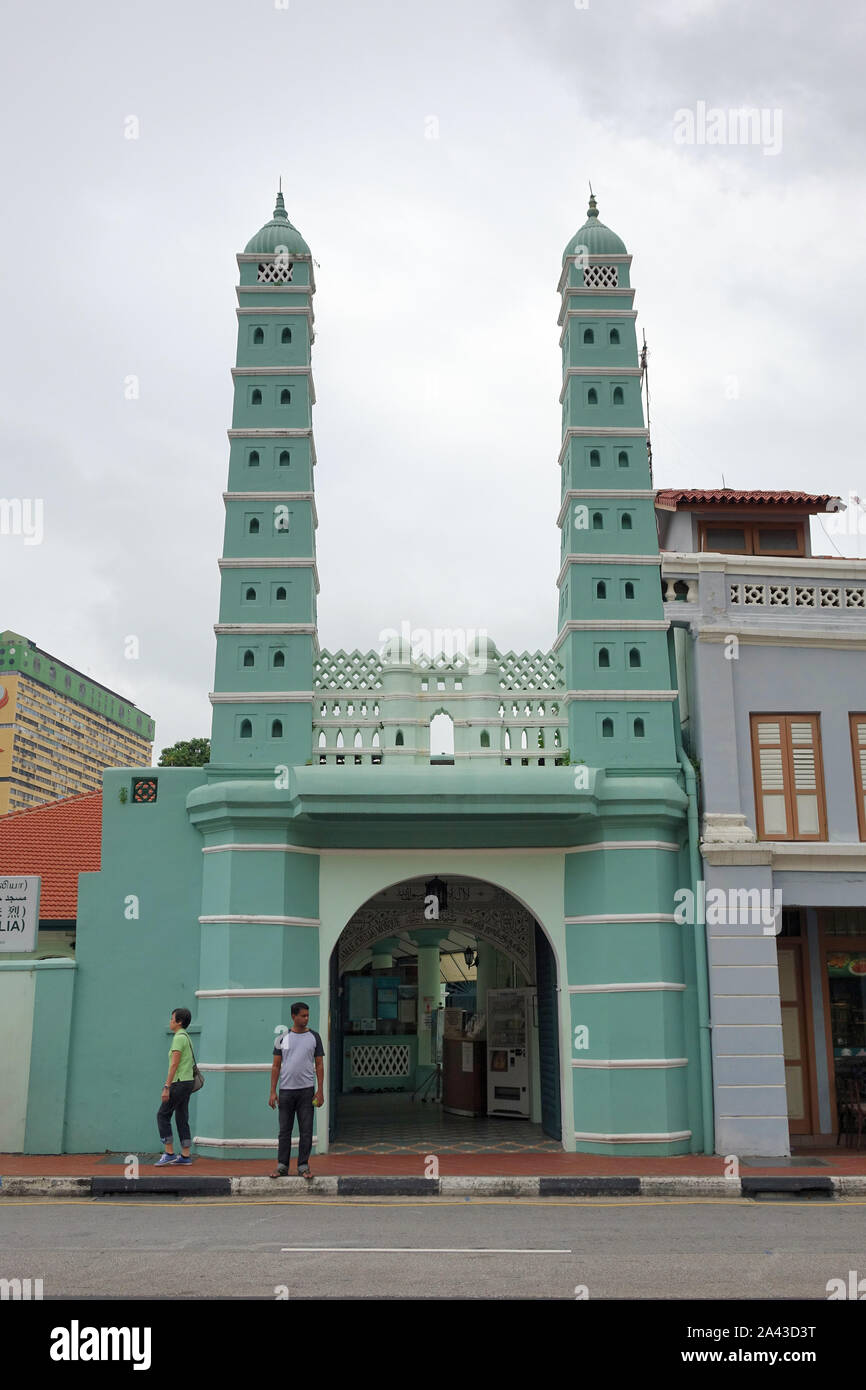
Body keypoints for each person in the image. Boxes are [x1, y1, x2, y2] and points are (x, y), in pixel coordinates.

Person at [269, 1002, 324, 1179]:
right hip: (286, 1091)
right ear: (293, 1016)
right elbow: (276, 1065)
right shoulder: (283, 1038)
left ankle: (303, 1166)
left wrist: (320, 1090)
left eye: (307, 1015)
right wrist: (272, 1091)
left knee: (306, 1130)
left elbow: (320, 1064)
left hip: (307, 1091)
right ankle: (282, 1165)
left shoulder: (314, 1037)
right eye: (302, 1016)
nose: (306, 1018)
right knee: (284, 1131)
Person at [155, 1007, 196, 1165]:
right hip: (187, 1082)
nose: (170, 1021)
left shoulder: (179, 1038)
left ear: (179, 1022)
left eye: (172, 1019)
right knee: (181, 1116)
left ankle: (169, 1152)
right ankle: (185, 1156)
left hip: (179, 1082)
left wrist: (166, 1086)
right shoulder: (186, 1037)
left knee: (163, 1114)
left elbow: (174, 1064)